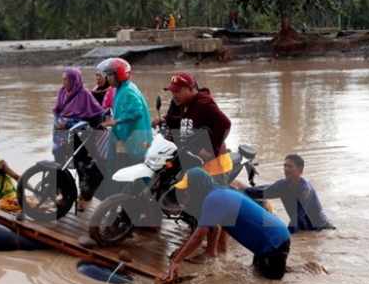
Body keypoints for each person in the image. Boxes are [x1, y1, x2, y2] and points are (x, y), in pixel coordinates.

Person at [155, 71, 233, 262]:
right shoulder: (189, 105)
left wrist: (211, 149)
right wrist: (165, 120)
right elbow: (184, 123)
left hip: (215, 164)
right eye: (172, 91)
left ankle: (211, 252)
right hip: (204, 162)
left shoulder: (203, 103)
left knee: (209, 204)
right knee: (212, 203)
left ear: (191, 89)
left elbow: (225, 122)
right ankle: (222, 249)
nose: (174, 95)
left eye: (178, 91)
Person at [160, 168, 291, 281]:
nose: (187, 193)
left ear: (198, 185)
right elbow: (210, 229)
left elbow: (198, 237)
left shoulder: (213, 199)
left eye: (188, 188)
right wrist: (182, 250)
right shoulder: (218, 193)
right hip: (270, 240)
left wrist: (176, 262)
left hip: (274, 242)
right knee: (257, 275)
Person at [237, 154, 335, 234]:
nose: (286, 169)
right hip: (303, 228)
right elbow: (260, 192)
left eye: (290, 166)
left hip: (322, 229)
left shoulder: (305, 189)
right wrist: (239, 188)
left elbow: (298, 216)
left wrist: (287, 235)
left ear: (299, 170)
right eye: (284, 166)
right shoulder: (282, 185)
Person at [97, 58, 153, 196]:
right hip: (125, 138)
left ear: (119, 75)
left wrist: (117, 121)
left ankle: (145, 202)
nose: (108, 78)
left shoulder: (128, 90)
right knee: (123, 169)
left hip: (135, 139)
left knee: (137, 172)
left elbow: (136, 109)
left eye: (110, 75)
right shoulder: (121, 89)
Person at [51, 68, 105, 165]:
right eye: (63, 79)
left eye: (66, 79)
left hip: (78, 132)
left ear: (74, 80)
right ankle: (61, 176)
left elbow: (98, 112)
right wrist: (57, 122)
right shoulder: (62, 92)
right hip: (60, 130)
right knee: (58, 154)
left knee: (79, 158)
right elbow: (56, 111)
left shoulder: (84, 94)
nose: (64, 82)